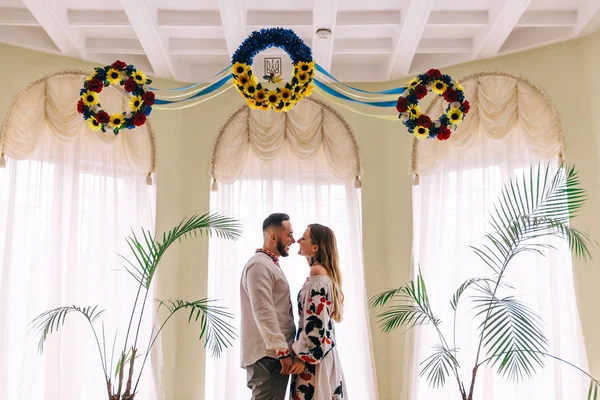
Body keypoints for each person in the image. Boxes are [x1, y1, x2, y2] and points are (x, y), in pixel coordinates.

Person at [240, 213, 305, 400]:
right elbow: (264, 311)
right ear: (273, 236)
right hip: (268, 356)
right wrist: (282, 351)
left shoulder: (268, 264)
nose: (293, 240)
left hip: (273, 355)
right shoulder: (259, 266)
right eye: (289, 235)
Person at [291, 223, 347, 399]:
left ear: (315, 247)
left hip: (314, 359)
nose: (298, 240)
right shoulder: (323, 273)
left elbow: (316, 323)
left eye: (304, 237)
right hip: (325, 354)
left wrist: (303, 356)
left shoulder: (317, 272)